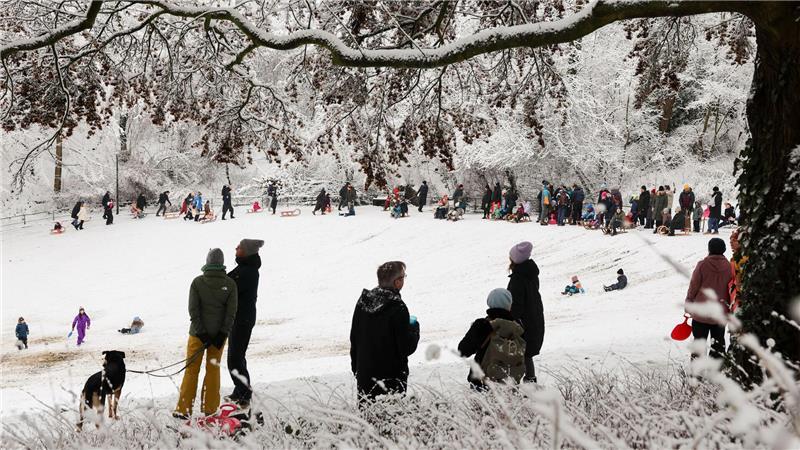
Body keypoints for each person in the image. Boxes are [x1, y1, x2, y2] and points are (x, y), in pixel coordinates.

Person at [173, 249, 238, 419]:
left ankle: (183, 409)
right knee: (213, 370)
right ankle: (210, 408)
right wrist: (221, 333)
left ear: (208, 262)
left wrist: (202, 333)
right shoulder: (230, 284)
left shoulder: (197, 283)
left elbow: (193, 310)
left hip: (197, 335)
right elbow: (231, 313)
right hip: (218, 337)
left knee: (191, 370)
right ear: (222, 263)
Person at [350, 261, 419, 405]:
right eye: (403, 277)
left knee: (368, 422)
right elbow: (405, 348)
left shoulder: (363, 302)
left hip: (365, 377)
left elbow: (354, 338)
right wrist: (414, 329)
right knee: (391, 422)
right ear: (397, 282)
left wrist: (357, 369)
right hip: (391, 379)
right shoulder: (398, 308)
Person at [458, 288, 525, 389]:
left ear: (489, 304)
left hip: (482, 384)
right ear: (509, 304)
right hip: (511, 384)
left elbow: (463, 351)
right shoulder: (518, 326)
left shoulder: (482, 325)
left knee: (484, 405)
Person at [225, 239, 264, 407]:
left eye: (239, 247)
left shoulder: (249, 271)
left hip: (243, 319)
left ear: (246, 251)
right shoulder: (244, 267)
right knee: (235, 356)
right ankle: (240, 389)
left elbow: (230, 285)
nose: (236, 248)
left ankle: (244, 394)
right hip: (239, 318)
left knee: (236, 357)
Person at [685, 238, 732, 358]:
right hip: (720, 314)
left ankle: (696, 373)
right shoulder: (730, 267)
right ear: (724, 250)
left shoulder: (702, 265)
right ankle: (715, 373)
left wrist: (689, 302)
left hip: (701, 313)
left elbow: (693, 286)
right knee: (718, 345)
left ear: (709, 249)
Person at [507, 242, 544, 383]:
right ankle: (530, 380)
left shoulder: (518, 279)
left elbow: (515, 305)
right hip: (534, 317)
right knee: (526, 353)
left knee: (522, 352)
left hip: (524, 322)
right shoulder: (530, 274)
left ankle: (516, 382)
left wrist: (511, 320)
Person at [728, 228, 747, 313]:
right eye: (730, 240)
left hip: (740, 297)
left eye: (734, 240)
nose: (731, 242)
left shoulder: (743, 258)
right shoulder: (734, 257)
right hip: (734, 295)